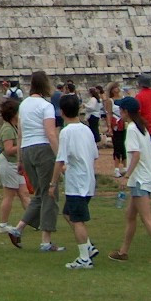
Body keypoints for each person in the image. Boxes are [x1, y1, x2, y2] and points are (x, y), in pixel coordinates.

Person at [108, 97, 151, 263]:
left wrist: (126, 176)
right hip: (145, 178)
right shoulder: (142, 128)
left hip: (139, 179)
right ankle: (123, 251)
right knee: (130, 215)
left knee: (147, 218)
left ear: (125, 112)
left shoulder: (132, 129)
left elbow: (136, 155)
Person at [4, 70, 64, 252]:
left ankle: (18, 228)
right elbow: (50, 133)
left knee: (40, 194)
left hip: (27, 150)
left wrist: (20, 160)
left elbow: (20, 133)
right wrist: (61, 156)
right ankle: (46, 240)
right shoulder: (45, 106)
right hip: (42, 149)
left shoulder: (24, 105)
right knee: (50, 194)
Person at [50, 93, 101, 269]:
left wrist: (53, 183)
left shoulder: (66, 132)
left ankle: (84, 258)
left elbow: (60, 160)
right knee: (68, 213)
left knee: (77, 220)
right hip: (87, 180)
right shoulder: (86, 129)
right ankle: (88, 246)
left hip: (76, 183)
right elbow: (94, 155)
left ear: (63, 112)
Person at [0, 99, 29, 237]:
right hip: (8, 163)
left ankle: (33, 219)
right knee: (9, 194)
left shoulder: (15, 126)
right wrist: (24, 145)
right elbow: (8, 149)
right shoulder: (8, 129)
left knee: (24, 192)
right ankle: (3, 224)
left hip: (15, 163)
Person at [104, 81, 127, 177]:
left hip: (124, 123)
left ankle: (125, 167)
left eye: (118, 87)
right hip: (116, 124)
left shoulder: (123, 99)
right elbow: (109, 113)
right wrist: (109, 126)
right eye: (115, 88)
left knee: (125, 145)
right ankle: (116, 168)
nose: (117, 89)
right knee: (117, 146)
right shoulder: (110, 101)